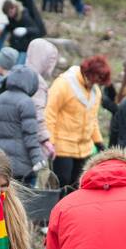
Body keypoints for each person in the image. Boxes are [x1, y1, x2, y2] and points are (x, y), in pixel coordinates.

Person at [46, 55, 110, 193]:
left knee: (78, 187)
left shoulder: (95, 91)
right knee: (62, 183)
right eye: (95, 80)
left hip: (84, 148)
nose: (95, 84)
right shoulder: (63, 84)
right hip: (63, 147)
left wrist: (99, 142)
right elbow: (49, 114)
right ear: (88, 73)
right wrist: (49, 141)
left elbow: (93, 119)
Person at [0, 67, 45, 186]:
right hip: (22, 163)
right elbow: (30, 135)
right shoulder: (26, 102)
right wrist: (38, 159)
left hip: (1, 160)